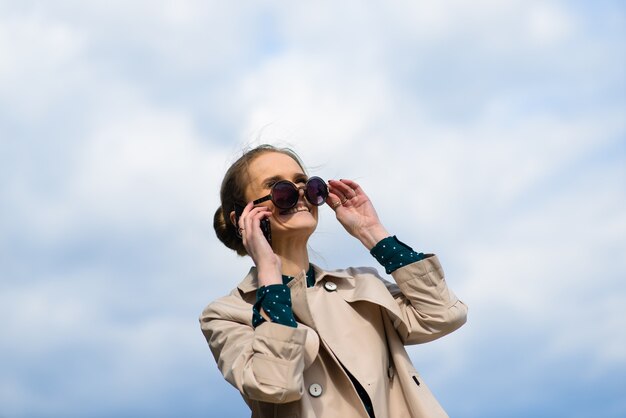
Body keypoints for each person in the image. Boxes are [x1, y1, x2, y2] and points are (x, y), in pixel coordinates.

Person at [200, 144, 468, 418]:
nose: (299, 195)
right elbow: (275, 384)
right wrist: (269, 273)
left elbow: (443, 315)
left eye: (305, 185)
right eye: (279, 189)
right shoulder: (226, 315)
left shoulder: (361, 283)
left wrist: (371, 232)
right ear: (241, 218)